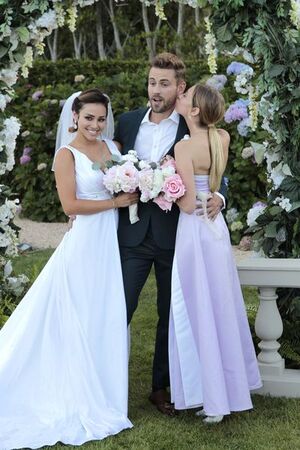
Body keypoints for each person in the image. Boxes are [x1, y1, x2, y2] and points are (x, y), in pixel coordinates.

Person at [0, 89, 138, 448]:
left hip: (110, 242)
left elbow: (128, 182)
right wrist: (116, 201)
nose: (95, 125)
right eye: (88, 117)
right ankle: (73, 389)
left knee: (103, 313)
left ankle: (103, 388)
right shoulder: (66, 154)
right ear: (75, 116)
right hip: (84, 244)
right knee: (77, 313)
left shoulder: (113, 150)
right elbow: (70, 204)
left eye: (101, 118)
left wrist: (136, 189)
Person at [114, 53, 228, 415]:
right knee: (119, 307)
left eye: (164, 84)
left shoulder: (191, 127)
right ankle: (106, 380)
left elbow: (218, 169)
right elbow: (107, 164)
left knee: (170, 311)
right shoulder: (127, 122)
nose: (155, 90)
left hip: (177, 235)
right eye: (151, 82)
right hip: (132, 234)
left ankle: (161, 387)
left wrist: (221, 197)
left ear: (180, 89)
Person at [168, 83, 262, 424]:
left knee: (199, 306)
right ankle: (232, 389)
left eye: (185, 96)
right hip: (216, 231)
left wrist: (163, 186)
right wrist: (218, 198)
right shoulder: (221, 138)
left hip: (194, 231)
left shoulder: (184, 147)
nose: (180, 97)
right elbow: (213, 186)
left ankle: (211, 396)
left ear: (194, 110)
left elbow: (190, 202)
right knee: (221, 304)